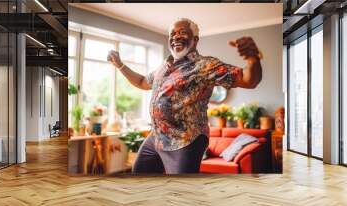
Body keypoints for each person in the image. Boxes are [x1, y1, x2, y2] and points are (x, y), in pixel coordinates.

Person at [107, 18, 262, 174]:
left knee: (181, 192)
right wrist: (120, 65)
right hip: (158, 137)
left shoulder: (205, 65)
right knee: (139, 175)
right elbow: (142, 82)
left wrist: (252, 58)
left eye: (182, 32)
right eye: (173, 34)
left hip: (186, 140)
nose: (176, 36)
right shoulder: (164, 66)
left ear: (195, 40)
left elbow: (249, 80)